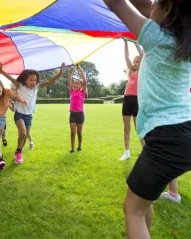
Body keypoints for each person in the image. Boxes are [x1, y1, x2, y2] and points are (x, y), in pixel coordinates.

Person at [103, 0, 191, 238]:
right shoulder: (182, 40)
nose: (151, 6)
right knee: (142, 199)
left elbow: (115, 3)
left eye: (156, 3)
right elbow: (146, 8)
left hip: (167, 137)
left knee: (132, 209)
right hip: (182, 133)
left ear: (169, 9)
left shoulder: (157, 37)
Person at [0, 60, 65, 163]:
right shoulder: (20, 86)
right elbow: (9, 78)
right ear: (25, 80)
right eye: (31, 80)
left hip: (29, 115)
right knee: (23, 133)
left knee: (24, 135)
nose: (33, 82)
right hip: (19, 113)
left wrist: (60, 73)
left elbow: (50, 81)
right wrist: (1, 70)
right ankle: (18, 153)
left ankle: (18, 152)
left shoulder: (36, 87)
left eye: (35, 80)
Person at [120, 39, 144, 160]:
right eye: (134, 62)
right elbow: (126, 56)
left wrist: (135, 42)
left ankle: (145, 151)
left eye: (137, 62)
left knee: (138, 127)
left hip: (136, 101)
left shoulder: (141, 71)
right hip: (126, 100)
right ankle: (127, 153)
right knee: (126, 128)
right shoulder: (130, 71)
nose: (135, 63)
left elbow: (143, 55)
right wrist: (125, 43)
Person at [67, 65, 87, 153]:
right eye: (74, 83)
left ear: (81, 85)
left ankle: (79, 146)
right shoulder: (72, 91)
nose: (75, 85)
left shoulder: (82, 92)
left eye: (77, 83)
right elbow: (68, 81)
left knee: (79, 132)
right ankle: (72, 148)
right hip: (72, 115)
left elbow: (85, 82)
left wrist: (81, 70)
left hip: (80, 114)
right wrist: (70, 72)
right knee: (72, 132)